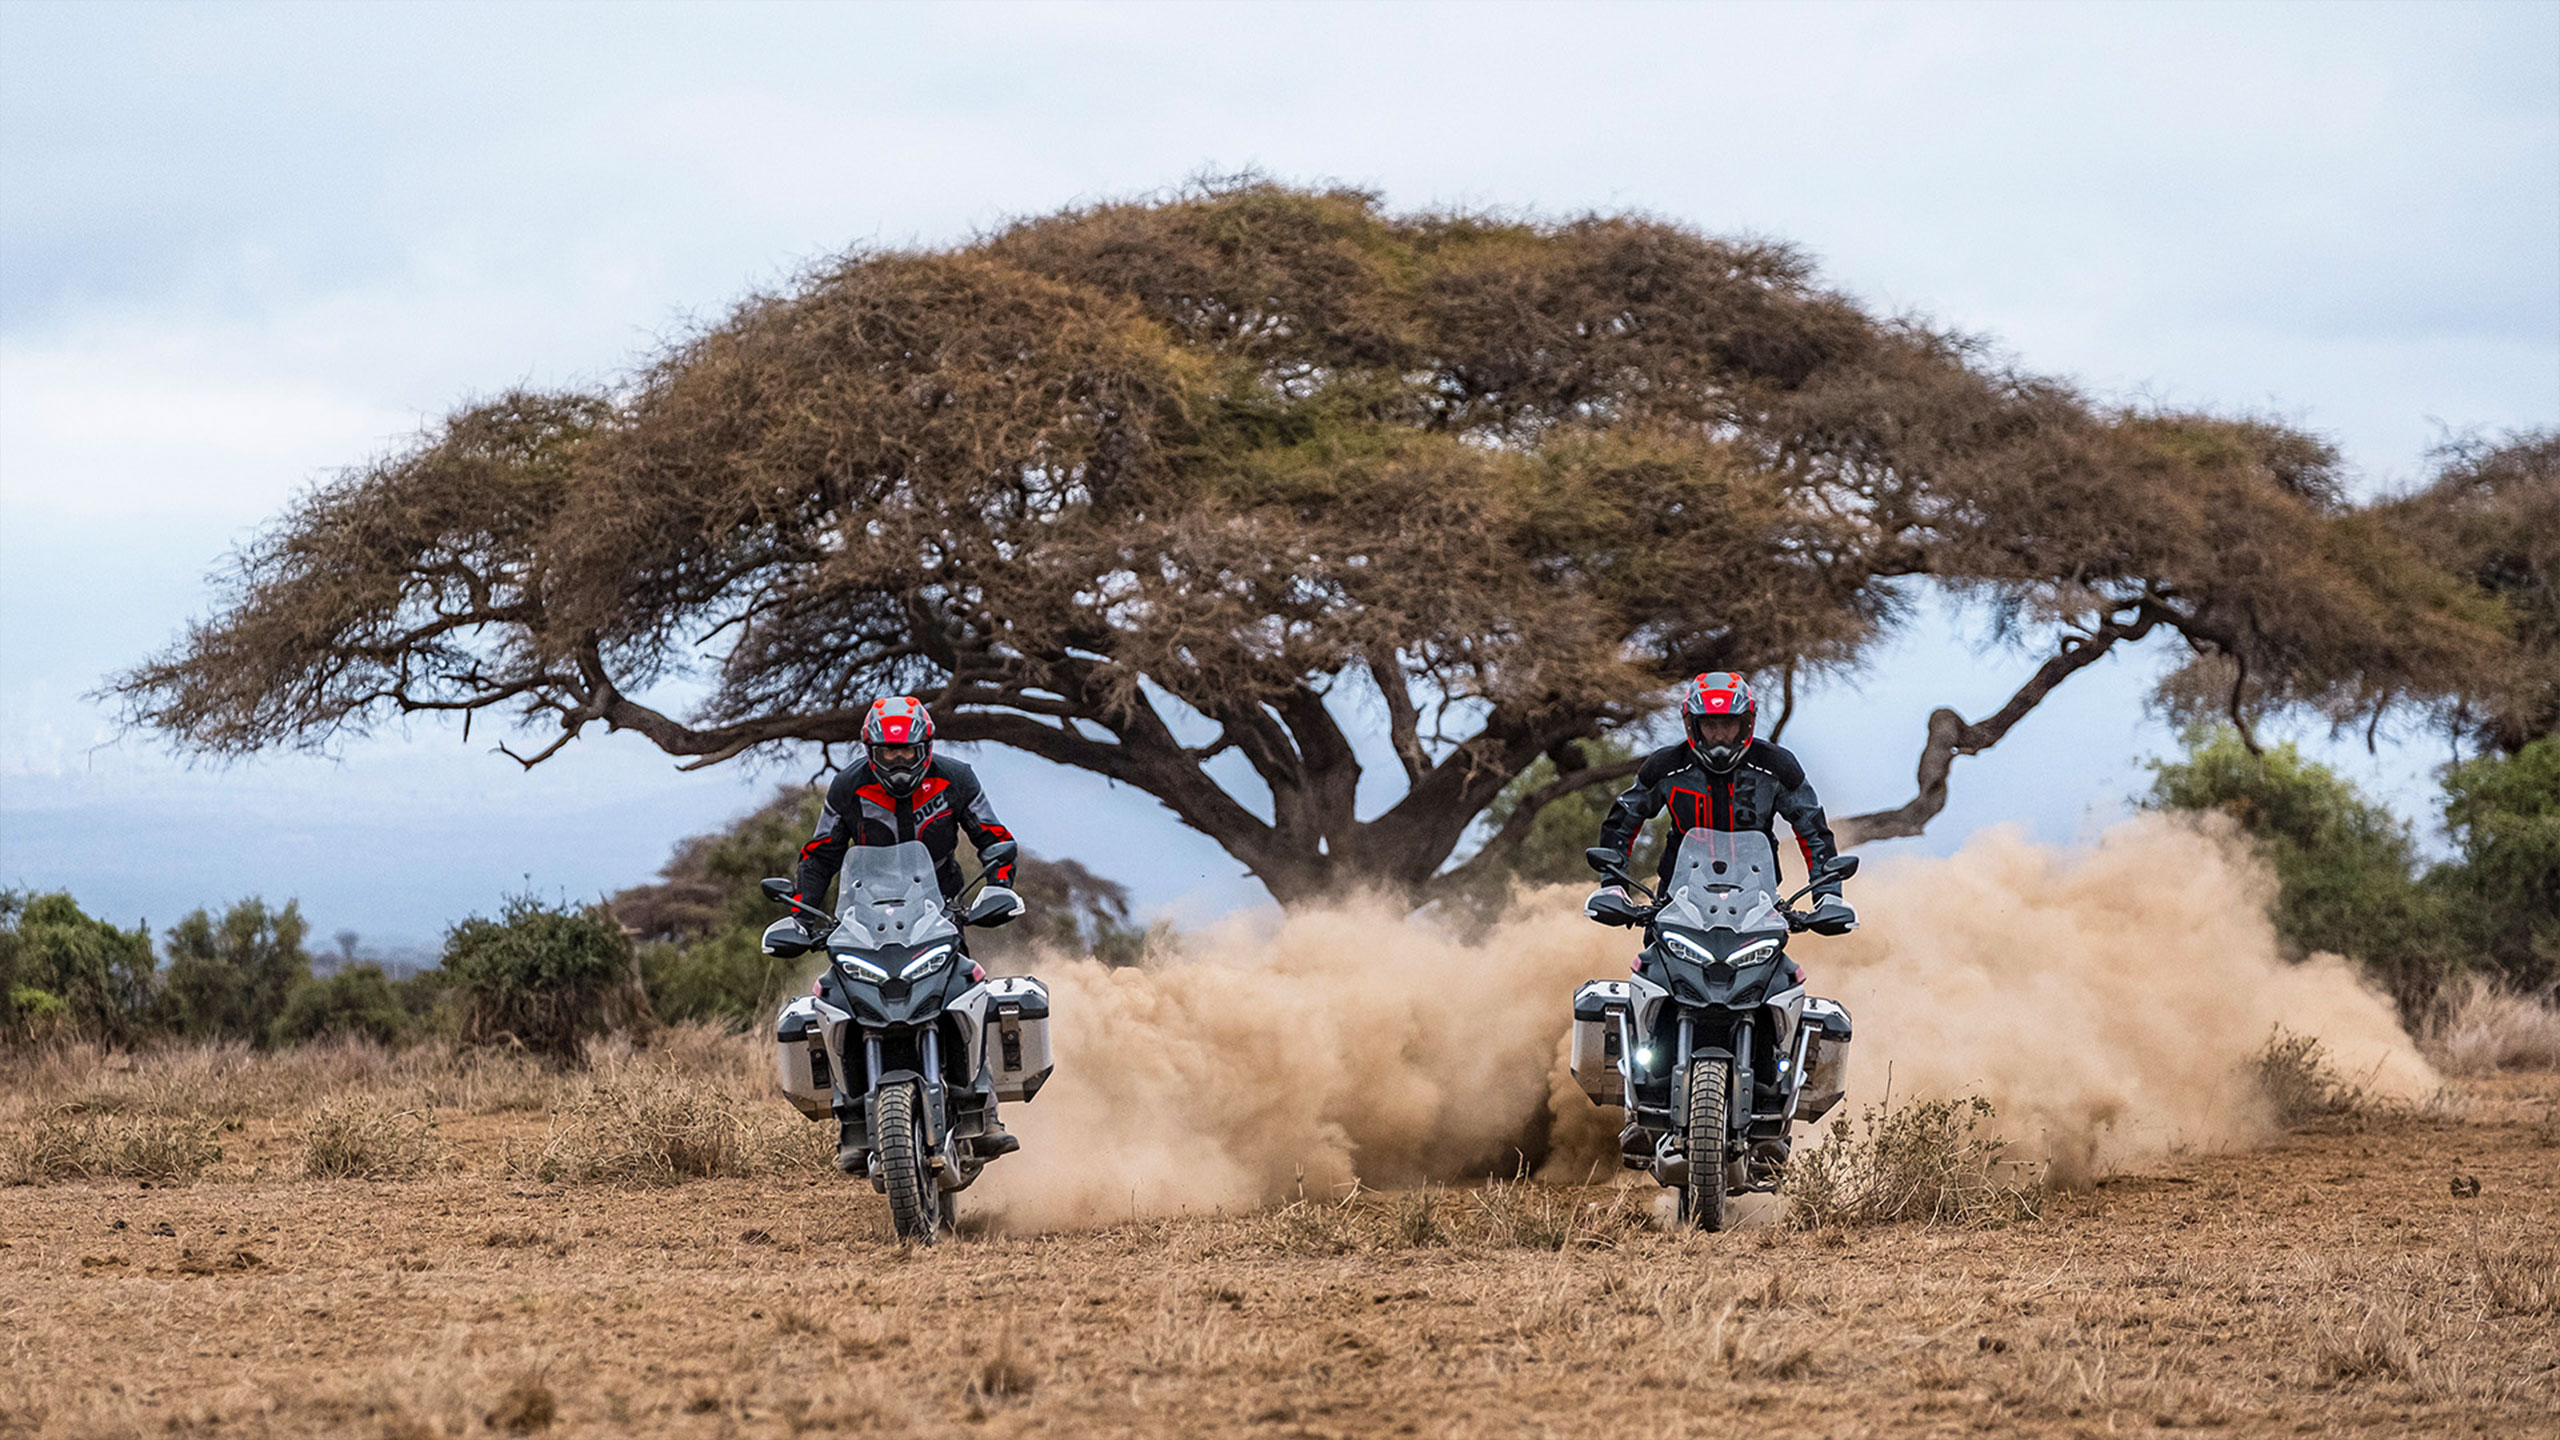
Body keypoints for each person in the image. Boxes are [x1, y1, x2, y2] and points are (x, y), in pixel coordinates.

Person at [763, 695, 1025, 1164]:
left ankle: (983, 1112)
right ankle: (852, 1120)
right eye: (889, 752)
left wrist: (997, 888)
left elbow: (995, 838)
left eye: (908, 751)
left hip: (940, 910)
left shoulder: (956, 778)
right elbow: (821, 853)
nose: (900, 760)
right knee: (835, 997)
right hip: (863, 915)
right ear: (871, 749)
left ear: (925, 746)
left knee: (969, 987)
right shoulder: (848, 788)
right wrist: (802, 916)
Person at [1591, 672, 1857, 939]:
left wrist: (1828, 896)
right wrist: (1613, 887)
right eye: (1710, 724)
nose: (1719, 735)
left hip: (1758, 906)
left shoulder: (1777, 766)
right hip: (1677, 904)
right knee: (1650, 971)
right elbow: (1621, 823)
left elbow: (1813, 832)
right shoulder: (1666, 767)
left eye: (1728, 724)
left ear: (1746, 723)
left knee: (1784, 978)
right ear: (1693, 725)